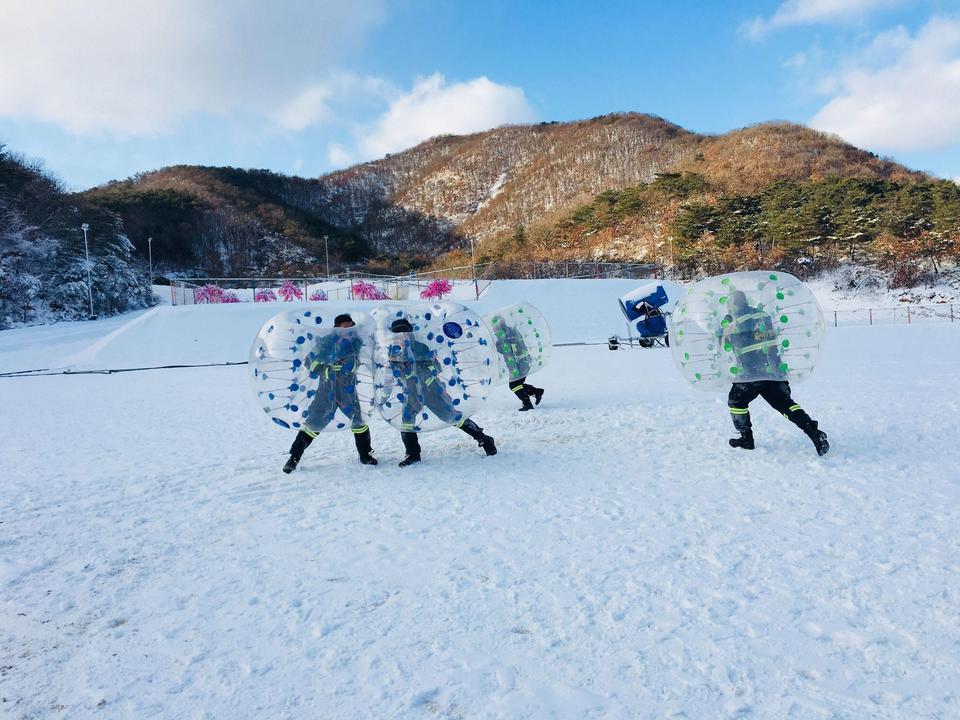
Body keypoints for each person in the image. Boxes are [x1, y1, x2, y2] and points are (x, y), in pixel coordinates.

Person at [723, 290, 829, 456]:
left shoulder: (734, 321)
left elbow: (728, 344)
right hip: (771, 369)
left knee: (736, 401)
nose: (728, 308)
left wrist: (725, 328)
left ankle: (746, 438)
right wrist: (779, 372)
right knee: (786, 404)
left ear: (735, 304)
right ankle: (813, 432)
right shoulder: (761, 315)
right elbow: (771, 341)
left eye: (729, 304)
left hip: (750, 373)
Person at [386, 317, 497, 467]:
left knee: (451, 416)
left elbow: (436, 367)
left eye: (404, 333)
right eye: (397, 334)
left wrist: (423, 374)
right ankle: (413, 453)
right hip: (411, 394)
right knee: (406, 422)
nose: (401, 336)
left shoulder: (420, 347)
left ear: (410, 333)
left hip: (432, 391)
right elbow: (394, 373)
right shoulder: (394, 353)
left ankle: (483, 438)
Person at [283, 313, 377, 473]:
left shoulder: (357, 342)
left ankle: (365, 454)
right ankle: (293, 458)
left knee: (359, 423)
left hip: (348, 390)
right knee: (313, 423)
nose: (348, 330)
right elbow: (309, 362)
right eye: (344, 327)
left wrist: (353, 366)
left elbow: (364, 360)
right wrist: (326, 368)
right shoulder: (327, 342)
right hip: (326, 390)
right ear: (337, 329)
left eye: (350, 327)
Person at [494, 320, 544, 411]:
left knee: (514, 385)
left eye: (494, 327)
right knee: (517, 384)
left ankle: (528, 404)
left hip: (520, 364)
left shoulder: (505, 335)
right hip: (523, 362)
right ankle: (536, 392)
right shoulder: (509, 332)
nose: (493, 330)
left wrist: (498, 346)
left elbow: (508, 350)